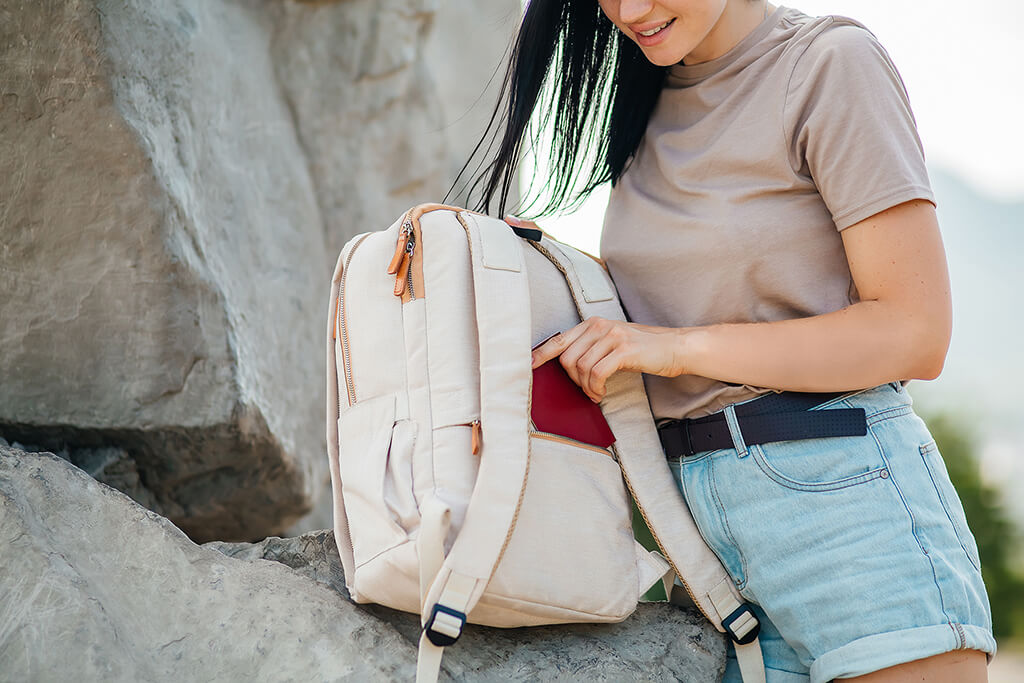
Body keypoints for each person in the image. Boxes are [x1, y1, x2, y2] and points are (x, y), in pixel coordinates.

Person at [453, 0, 998, 681]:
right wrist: (539, 275)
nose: (629, 10)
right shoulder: (647, 100)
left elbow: (915, 331)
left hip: (848, 507)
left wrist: (679, 347)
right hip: (703, 545)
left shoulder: (827, 64)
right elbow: (662, 326)